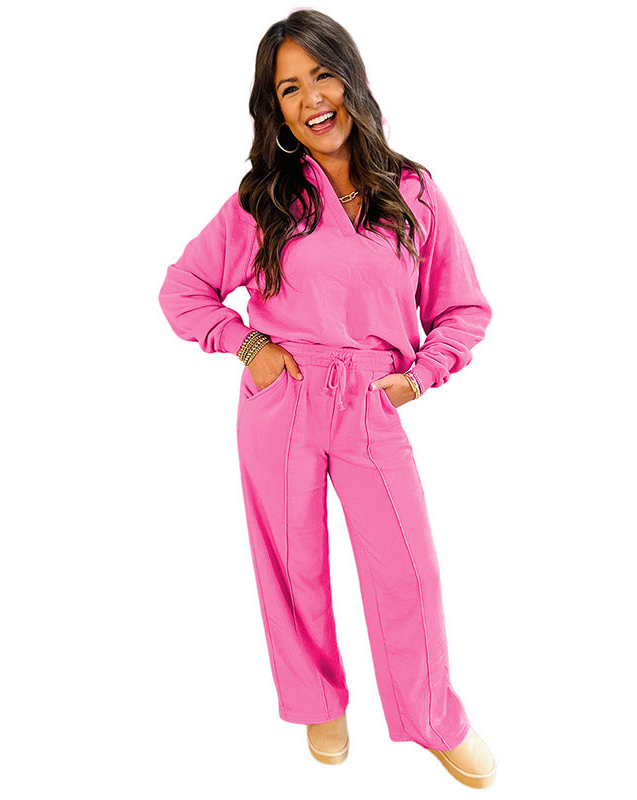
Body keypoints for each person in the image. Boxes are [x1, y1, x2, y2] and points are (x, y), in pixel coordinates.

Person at [158, 9, 496, 790]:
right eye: (289, 88)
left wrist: (421, 373)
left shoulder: (412, 191)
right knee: (292, 563)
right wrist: (248, 346)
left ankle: (431, 716)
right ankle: (317, 701)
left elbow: (463, 309)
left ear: (352, 78)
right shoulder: (263, 202)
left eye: (322, 75)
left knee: (409, 572)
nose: (311, 97)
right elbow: (183, 290)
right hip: (284, 398)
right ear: (274, 110)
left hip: (371, 399)